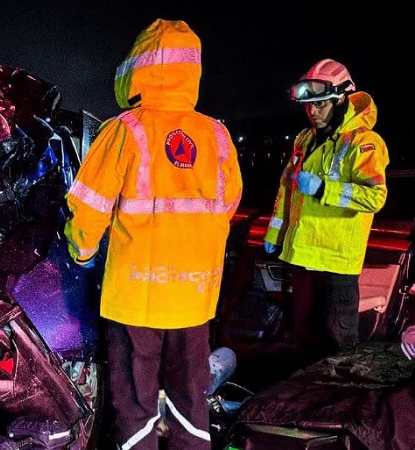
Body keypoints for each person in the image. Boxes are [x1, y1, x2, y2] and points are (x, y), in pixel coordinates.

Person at [64, 19, 242, 450]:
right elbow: (229, 206)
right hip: (195, 299)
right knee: (189, 400)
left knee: (137, 405)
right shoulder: (217, 135)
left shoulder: (125, 130)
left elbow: (88, 209)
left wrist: (83, 253)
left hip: (136, 299)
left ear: (136, 69)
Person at [264, 59, 389, 355]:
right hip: (302, 255)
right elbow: (287, 189)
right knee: (303, 335)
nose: (313, 112)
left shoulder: (365, 143)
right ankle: (306, 396)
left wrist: (324, 189)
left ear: (340, 100)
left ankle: (339, 397)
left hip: (336, 262)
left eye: (320, 105)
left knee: (338, 342)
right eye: (309, 106)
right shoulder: (304, 139)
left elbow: (375, 197)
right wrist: (273, 236)